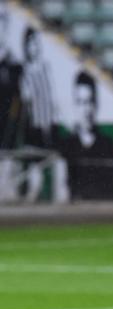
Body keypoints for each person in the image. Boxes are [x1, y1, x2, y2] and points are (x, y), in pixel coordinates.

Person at [58, 71, 113, 200]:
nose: (86, 109)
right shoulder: (67, 145)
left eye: (89, 102)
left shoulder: (107, 145)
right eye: (80, 102)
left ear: (96, 104)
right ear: (74, 105)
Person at [19, 26, 57, 202]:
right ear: (26, 47)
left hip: (48, 123)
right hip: (34, 124)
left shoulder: (46, 68)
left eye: (36, 43)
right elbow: (25, 97)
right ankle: (34, 192)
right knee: (34, 161)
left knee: (50, 159)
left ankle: (50, 193)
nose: (34, 47)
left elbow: (52, 95)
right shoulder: (25, 71)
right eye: (31, 44)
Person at [0, 4, 23, 201]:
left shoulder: (14, 65)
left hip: (8, 120)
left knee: (7, 152)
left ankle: (7, 189)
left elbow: (18, 96)